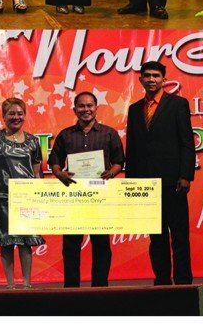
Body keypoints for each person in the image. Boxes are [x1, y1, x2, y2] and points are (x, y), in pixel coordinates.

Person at [125, 61, 195, 285]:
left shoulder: (178, 104)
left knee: (179, 237)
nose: (151, 79)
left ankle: (183, 283)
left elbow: (187, 142)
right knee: (156, 238)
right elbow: (132, 148)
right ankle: (162, 281)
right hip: (146, 186)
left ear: (164, 80)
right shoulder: (134, 109)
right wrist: (131, 185)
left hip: (174, 182)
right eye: (147, 75)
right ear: (140, 80)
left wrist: (186, 175)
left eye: (156, 75)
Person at [47, 92, 124, 287]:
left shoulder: (109, 133)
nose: (86, 109)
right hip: (74, 198)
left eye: (89, 105)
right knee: (71, 246)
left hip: (100, 197)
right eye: (81, 106)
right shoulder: (65, 135)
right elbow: (54, 161)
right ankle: (71, 289)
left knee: (101, 245)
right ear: (75, 110)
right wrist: (59, 173)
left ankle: (100, 287)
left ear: (96, 108)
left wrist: (111, 173)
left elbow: (119, 161)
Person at [0, 97, 44, 288]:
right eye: (12, 114)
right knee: (6, 241)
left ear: (25, 115)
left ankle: (27, 284)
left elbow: (37, 172)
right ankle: (10, 285)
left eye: (20, 114)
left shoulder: (33, 141)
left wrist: (41, 197)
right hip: (2, 198)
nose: (16, 117)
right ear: (3, 116)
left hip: (27, 198)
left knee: (26, 242)